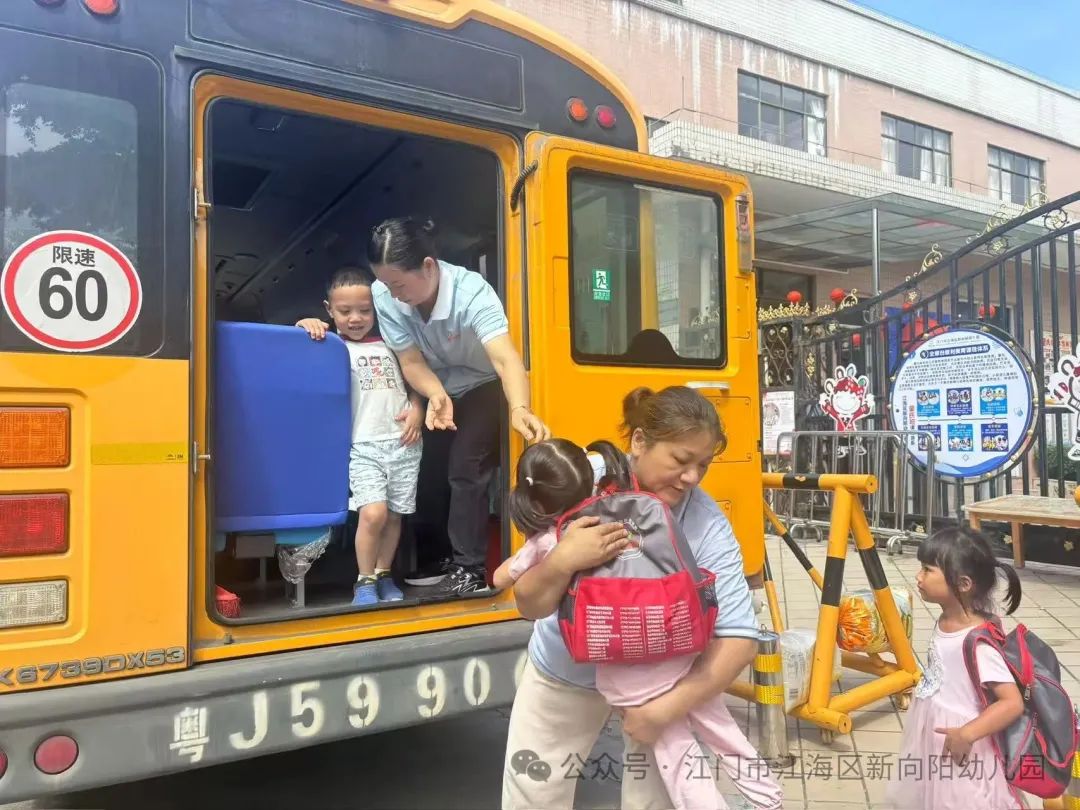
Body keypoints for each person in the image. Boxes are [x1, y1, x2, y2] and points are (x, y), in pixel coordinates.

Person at [501, 386, 768, 810]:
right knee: (534, 793)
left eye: (703, 464)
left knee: (655, 802)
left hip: (659, 688)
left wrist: (666, 710)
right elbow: (528, 604)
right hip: (565, 674)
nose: (692, 478)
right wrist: (562, 561)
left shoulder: (704, 524)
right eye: (681, 461)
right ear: (639, 441)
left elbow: (739, 638)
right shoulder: (580, 485)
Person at [367, 217, 551, 596]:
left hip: (485, 385)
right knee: (429, 467)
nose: (391, 292)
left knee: (466, 465)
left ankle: (470, 567)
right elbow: (411, 362)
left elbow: (505, 360)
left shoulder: (471, 293)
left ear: (429, 267)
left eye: (399, 283)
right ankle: (443, 557)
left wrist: (519, 408)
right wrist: (435, 393)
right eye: (386, 284)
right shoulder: (384, 295)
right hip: (442, 387)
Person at [295, 267, 449, 606]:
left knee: (394, 515)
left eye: (364, 310)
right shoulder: (331, 346)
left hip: (405, 443)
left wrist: (418, 410)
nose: (356, 318)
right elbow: (297, 350)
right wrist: (305, 325)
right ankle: (363, 580)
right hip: (363, 445)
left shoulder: (392, 343)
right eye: (345, 311)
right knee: (373, 513)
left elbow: (415, 384)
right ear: (329, 309)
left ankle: (383, 573)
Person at [884, 527, 1026, 809]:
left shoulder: (977, 642)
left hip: (964, 743)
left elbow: (1012, 703)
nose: (918, 577)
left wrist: (967, 734)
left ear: (963, 584)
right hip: (938, 733)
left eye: (927, 570)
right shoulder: (946, 620)